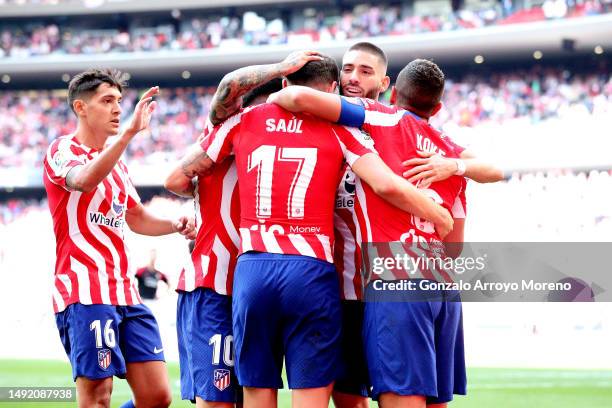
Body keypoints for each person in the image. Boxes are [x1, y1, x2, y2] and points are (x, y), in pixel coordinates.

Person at [178, 56, 453, 408]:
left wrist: (199, 203)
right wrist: (437, 214)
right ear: (333, 90)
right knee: (317, 395)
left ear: (284, 85)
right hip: (313, 271)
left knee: (256, 391)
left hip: (253, 270)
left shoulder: (243, 121)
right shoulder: (341, 128)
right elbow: (387, 185)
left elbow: (178, 177)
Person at [270, 57, 494, 407]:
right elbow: (455, 246)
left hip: (393, 282)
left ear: (391, 93)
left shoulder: (376, 119)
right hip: (442, 291)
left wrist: (275, 91)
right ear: (436, 107)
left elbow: (298, 99)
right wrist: (453, 171)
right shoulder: (447, 152)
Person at [43, 69, 196, 408]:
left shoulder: (119, 166)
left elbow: (137, 217)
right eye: (107, 101)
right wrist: (128, 135)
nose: (116, 109)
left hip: (125, 292)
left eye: (119, 101)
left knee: (157, 396)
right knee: (97, 396)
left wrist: (177, 223)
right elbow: (82, 180)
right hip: (85, 290)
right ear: (81, 107)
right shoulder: (61, 150)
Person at [164, 79, 283, 408]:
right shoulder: (224, 135)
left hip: (258, 291)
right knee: (217, 401)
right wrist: (280, 69)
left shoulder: (281, 151)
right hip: (215, 286)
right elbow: (175, 179)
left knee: (250, 398)